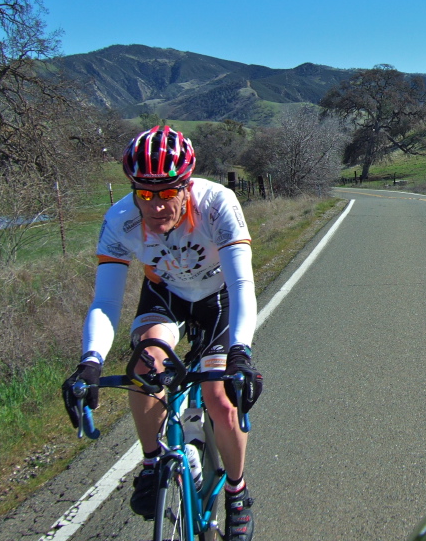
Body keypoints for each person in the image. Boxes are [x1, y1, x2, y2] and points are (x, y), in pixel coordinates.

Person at [62, 126, 263, 541]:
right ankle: (153, 462)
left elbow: (242, 285)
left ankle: (237, 492)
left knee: (219, 398)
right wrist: (90, 362)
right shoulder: (120, 220)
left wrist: (241, 352)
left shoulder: (217, 204)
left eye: (168, 192)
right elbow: (105, 302)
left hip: (217, 297)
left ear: (187, 186)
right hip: (165, 294)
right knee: (145, 368)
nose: (155, 206)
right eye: (145, 193)